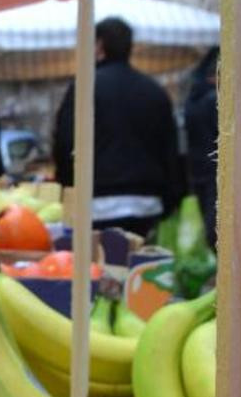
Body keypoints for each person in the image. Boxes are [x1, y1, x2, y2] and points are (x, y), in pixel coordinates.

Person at [52, 16, 182, 235]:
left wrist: (68, 189)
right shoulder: (155, 91)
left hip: (97, 203)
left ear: (100, 45)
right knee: (138, 266)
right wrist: (170, 199)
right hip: (147, 204)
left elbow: (65, 143)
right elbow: (170, 150)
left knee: (101, 267)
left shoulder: (85, 86)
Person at [183, 46, 219, 244]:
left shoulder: (193, 98)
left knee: (205, 218)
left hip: (197, 165)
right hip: (214, 166)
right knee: (213, 221)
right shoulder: (214, 99)